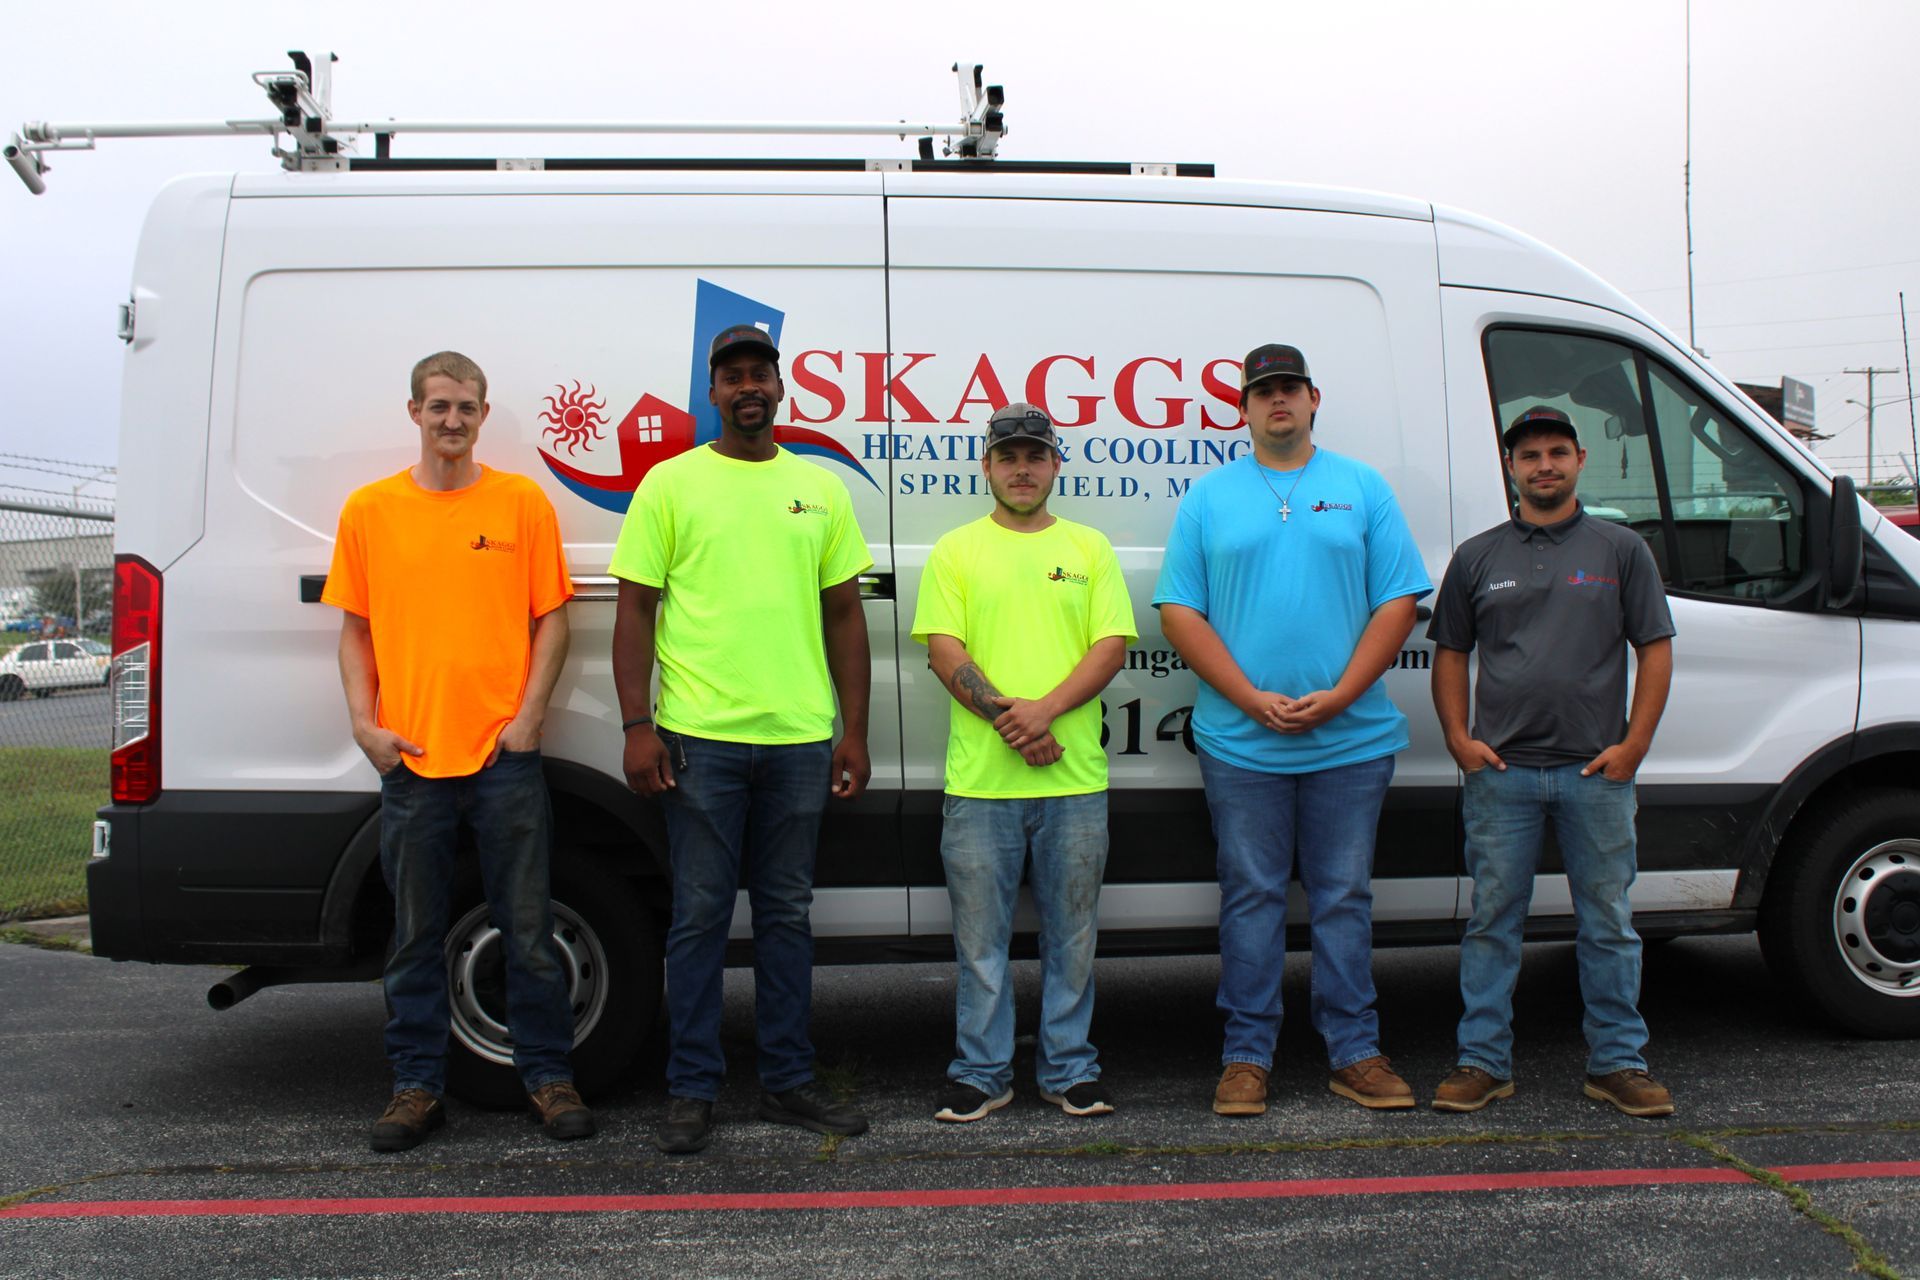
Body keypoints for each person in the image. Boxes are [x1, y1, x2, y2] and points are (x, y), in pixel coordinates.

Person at [611, 324, 874, 1155]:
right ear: (714, 393)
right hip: (699, 740)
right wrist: (636, 725)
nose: (747, 387)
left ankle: (788, 1082)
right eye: (733, 377)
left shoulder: (820, 489)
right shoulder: (670, 484)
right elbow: (634, 612)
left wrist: (854, 732)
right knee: (699, 917)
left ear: (779, 387)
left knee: (788, 918)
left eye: (761, 373)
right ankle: (692, 1088)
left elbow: (844, 614)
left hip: (799, 739)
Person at [323, 350, 593, 1152]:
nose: (452, 420)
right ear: (415, 413)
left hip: (503, 758)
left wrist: (529, 717)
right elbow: (354, 630)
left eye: (466, 407)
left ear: (482, 414)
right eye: (438, 406)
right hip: (411, 760)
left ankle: (548, 1078)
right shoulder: (370, 511)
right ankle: (415, 1090)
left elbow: (553, 620)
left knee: (529, 928)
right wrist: (364, 726)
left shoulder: (519, 505)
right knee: (413, 936)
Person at [1153, 343, 1431, 1117]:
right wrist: (1246, 697)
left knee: (1343, 896)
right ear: (1242, 409)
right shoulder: (1209, 498)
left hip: (1352, 739)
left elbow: (1399, 601)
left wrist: (1343, 693)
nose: (1277, 401)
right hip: (1242, 742)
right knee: (1251, 896)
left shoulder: (1361, 487)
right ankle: (1247, 1056)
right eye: (1263, 391)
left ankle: (1355, 1051)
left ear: (1315, 400)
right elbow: (1181, 610)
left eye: (1290, 389)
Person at [1427, 405, 1676, 1118]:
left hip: (1595, 773)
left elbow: (1654, 649)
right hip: (1501, 773)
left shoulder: (1621, 550)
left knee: (1608, 923)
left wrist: (1635, 745)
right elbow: (1451, 652)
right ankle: (1482, 1062)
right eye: (1529, 454)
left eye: (1557, 452)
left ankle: (1619, 1063)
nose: (1544, 465)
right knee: (1492, 923)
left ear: (1579, 462)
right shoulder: (1478, 557)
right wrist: (1457, 736)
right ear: (1510, 467)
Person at [912, 402, 1137, 1123]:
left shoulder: (1090, 548)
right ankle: (981, 1072)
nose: (1021, 468)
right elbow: (945, 651)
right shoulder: (955, 551)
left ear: (1055, 465)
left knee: (1073, 938)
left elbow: (1110, 648)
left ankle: (1070, 1069)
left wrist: (1039, 713)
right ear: (986, 465)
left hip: (1073, 782)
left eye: (1034, 456)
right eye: (1007, 456)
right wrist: (1017, 721)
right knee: (982, 944)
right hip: (982, 785)